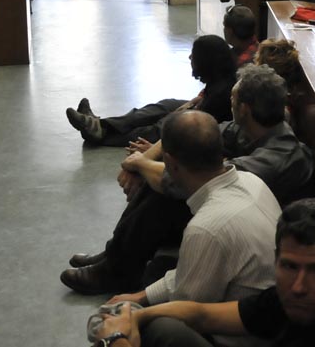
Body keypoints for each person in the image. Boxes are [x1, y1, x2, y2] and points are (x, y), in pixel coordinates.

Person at [62, 65, 313, 296]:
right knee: (160, 179)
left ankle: (115, 272)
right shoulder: (254, 129)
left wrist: (140, 164)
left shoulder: (279, 158)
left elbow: (201, 180)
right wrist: (142, 160)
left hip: (242, 234)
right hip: (229, 210)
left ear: (244, 109)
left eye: (233, 99)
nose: (230, 102)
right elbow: (202, 131)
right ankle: (114, 254)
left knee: (165, 198)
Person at [89, 199, 315, 347]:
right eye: (289, 266)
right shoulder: (290, 302)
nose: (298, 286)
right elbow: (201, 313)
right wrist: (133, 316)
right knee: (161, 326)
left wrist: (117, 340)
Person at [96, 110, 281, 326]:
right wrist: (140, 296)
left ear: (169, 163)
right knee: (159, 268)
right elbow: (195, 272)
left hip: (241, 334)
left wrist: (132, 315)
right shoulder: (251, 180)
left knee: (153, 325)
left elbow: (184, 310)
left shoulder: (206, 228)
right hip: (264, 312)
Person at [65, 34, 237, 147]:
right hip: (202, 107)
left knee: (162, 125)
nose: (190, 58)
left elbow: (204, 120)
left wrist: (186, 111)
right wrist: (193, 102)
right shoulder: (222, 75)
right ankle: (98, 125)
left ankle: (101, 134)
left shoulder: (220, 95)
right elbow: (205, 97)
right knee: (164, 106)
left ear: (206, 61)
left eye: (194, 55)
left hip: (204, 129)